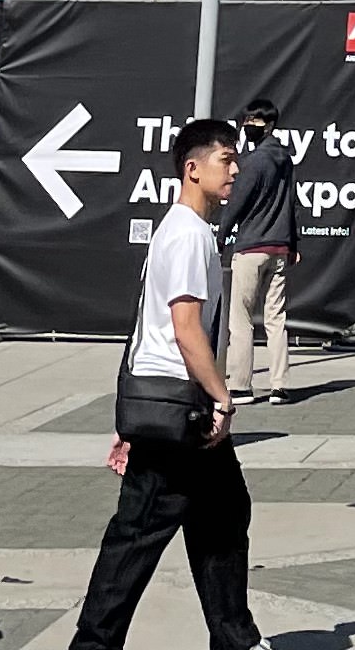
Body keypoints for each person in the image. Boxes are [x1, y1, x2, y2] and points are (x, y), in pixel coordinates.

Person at [68, 119, 258, 650]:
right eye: (226, 159)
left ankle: (236, 639)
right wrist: (222, 397)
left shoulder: (185, 233)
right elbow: (183, 327)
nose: (235, 169)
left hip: (174, 409)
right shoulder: (187, 234)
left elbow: (145, 331)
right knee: (137, 537)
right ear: (192, 169)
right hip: (179, 413)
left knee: (223, 518)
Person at [220, 99, 295, 405]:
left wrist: (222, 235)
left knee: (241, 318)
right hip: (279, 247)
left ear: (269, 124)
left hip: (251, 246)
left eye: (254, 121)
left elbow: (237, 202)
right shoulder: (285, 159)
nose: (248, 126)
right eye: (247, 119)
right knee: (276, 318)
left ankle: (240, 385)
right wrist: (294, 244)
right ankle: (280, 385)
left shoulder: (254, 161)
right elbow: (292, 201)